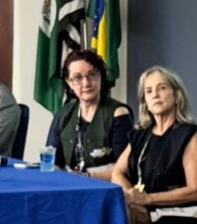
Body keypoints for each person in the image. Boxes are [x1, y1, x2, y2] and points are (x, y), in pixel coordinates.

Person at [112, 66, 197, 224]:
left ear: (177, 95)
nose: (155, 94)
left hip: (167, 216)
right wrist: (132, 200)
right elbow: (117, 172)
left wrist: (147, 200)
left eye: (162, 88)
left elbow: (196, 190)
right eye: (149, 91)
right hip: (136, 210)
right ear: (145, 101)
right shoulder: (140, 134)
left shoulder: (189, 135)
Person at [46, 49, 133, 180]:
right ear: (69, 83)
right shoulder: (63, 114)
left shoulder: (118, 114)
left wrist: (87, 176)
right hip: (70, 186)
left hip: (106, 188)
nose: (86, 83)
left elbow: (127, 168)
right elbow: (51, 161)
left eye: (92, 74)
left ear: (101, 77)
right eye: (78, 78)